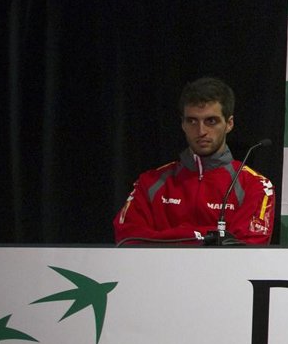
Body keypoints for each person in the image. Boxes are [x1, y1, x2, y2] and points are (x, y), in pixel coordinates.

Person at [114, 77, 275, 244]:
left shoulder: (256, 186)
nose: (201, 131)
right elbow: (127, 239)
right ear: (182, 124)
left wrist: (166, 238)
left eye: (211, 121)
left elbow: (248, 249)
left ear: (229, 124)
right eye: (192, 121)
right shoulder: (149, 182)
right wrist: (208, 238)